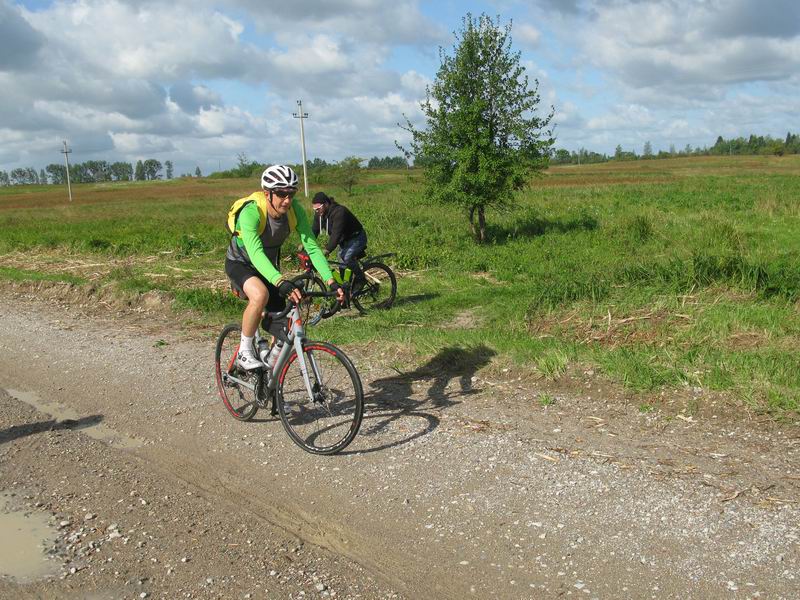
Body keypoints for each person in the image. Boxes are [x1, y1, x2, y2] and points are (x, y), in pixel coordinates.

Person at [226, 165, 344, 370]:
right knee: (260, 295)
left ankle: (270, 378)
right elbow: (255, 253)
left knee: (287, 318)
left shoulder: (294, 210)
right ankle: (244, 352)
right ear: (267, 193)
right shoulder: (252, 211)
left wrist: (331, 281)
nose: (287, 200)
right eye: (281, 194)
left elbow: (312, 248)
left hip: (268, 268)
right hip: (241, 263)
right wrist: (280, 281)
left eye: (291, 193)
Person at [311, 192, 367, 282]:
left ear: (326, 204)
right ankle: (346, 287)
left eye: (318, 208)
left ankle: (361, 279)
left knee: (346, 258)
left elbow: (336, 234)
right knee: (341, 265)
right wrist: (306, 243)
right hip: (344, 242)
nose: (316, 211)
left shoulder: (339, 212)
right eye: (315, 209)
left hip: (356, 238)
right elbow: (314, 230)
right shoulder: (319, 214)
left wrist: (327, 249)